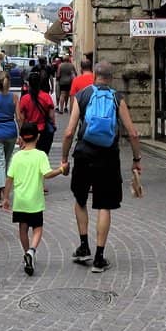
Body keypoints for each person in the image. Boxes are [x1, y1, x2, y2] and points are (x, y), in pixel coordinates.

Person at [59, 61, 142, 274]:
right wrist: (136, 159)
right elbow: (132, 133)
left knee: (79, 199)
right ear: (111, 77)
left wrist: (64, 159)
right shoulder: (117, 98)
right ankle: (99, 258)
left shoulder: (83, 96)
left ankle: (84, 245)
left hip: (84, 154)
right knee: (104, 205)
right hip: (108, 156)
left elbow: (69, 132)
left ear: (95, 75)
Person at [2, 122, 67, 276]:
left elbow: (9, 178)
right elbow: (47, 174)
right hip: (35, 201)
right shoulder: (40, 155)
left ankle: (26, 254)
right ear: (38, 137)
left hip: (20, 201)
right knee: (37, 229)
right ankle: (31, 251)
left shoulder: (17, 156)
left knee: (22, 229)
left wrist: (5, 197)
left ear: (21, 138)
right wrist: (61, 169)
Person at [0, 70, 18, 204]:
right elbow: (19, 118)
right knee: (5, 162)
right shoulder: (14, 97)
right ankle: (1, 189)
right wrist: (22, 134)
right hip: (11, 131)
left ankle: (0, 190)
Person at [18, 71, 55, 158]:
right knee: (43, 156)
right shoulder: (46, 97)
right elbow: (51, 116)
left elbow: (21, 118)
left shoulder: (24, 98)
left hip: (29, 132)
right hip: (44, 131)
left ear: (29, 84)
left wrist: (21, 133)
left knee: (29, 157)